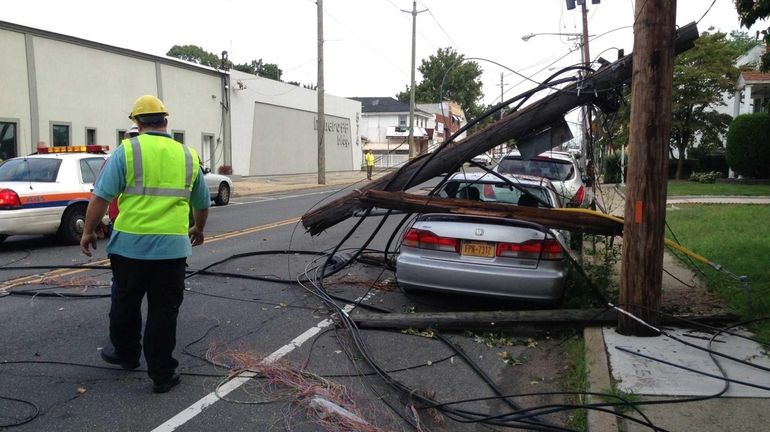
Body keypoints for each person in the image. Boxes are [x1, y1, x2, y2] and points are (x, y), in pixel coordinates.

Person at [80, 95, 210, 394]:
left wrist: (88, 231)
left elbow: (100, 197)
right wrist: (198, 229)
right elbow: (202, 203)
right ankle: (162, 375)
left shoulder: (126, 152)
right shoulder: (188, 155)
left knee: (125, 303)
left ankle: (126, 355)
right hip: (172, 250)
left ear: (137, 122)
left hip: (129, 248)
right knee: (164, 311)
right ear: (165, 120)